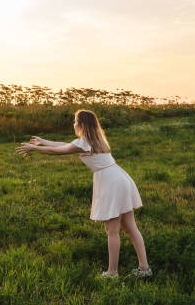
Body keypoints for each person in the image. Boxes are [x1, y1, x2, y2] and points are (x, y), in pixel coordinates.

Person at [15, 109, 151, 279]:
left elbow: (60, 151)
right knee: (130, 227)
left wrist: (35, 149)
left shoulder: (84, 142)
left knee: (112, 230)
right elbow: (66, 145)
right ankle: (144, 269)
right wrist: (42, 141)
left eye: (74, 121)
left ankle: (112, 273)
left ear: (81, 125)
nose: (73, 124)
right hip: (120, 178)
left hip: (111, 182)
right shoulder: (96, 139)